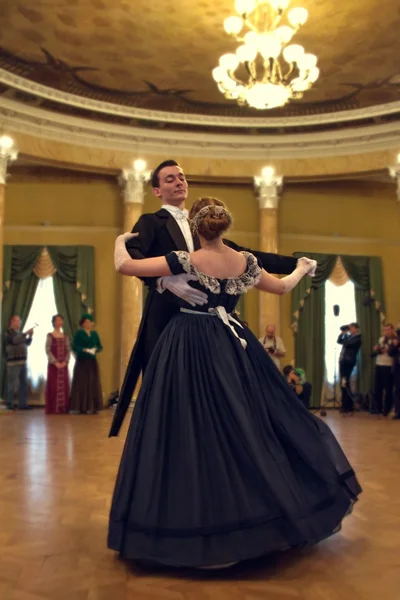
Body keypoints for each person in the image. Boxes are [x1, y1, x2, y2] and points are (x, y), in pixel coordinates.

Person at [108, 198, 361, 569]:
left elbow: (124, 265)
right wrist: (302, 267)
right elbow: (282, 288)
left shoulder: (187, 259)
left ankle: (193, 523)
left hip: (188, 344)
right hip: (232, 344)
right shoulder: (245, 261)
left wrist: (120, 239)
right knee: (246, 423)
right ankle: (258, 514)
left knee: (189, 427)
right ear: (224, 226)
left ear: (196, 228)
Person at [110, 161, 317, 437]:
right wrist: (164, 281)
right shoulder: (150, 222)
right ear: (157, 191)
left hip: (202, 326)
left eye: (182, 177)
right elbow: (136, 255)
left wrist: (294, 263)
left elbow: (255, 255)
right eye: (170, 179)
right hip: (165, 321)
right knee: (166, 389)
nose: (179, 182)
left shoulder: (205, 235)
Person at [70, 314, 103, 414]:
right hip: (82, 361)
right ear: (82, 323)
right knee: (82, 383)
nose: (88, 324)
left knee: (93, 383)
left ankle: (93, 407)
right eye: (86, 322)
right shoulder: (79, 334)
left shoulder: (94, 334)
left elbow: (100, 346)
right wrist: (83, 349)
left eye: (90, 322)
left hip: (92, 361)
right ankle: (81, 407)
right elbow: (74, 346)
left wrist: (95, 349)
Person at [4, 315, 34, 411]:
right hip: (13, 363)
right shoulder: (8, 332)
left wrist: (30, 336)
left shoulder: (20, 333)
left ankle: (22, 404)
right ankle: (9, 404)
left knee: (23, 383)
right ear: (11, 322)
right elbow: (14, 340)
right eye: (17, 321)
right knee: (12, 383)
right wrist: (25, 334)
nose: (19, 323)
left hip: (23, 362)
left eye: (19, 321)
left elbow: (27, 343)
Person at [45, 314, 71, 414]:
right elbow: (47, 350)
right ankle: (53, 409)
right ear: (54, 322)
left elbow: (68, 350)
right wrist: (55, 362)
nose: (59, 322)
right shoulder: (50, 336)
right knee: (53, 387)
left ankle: (63, 409)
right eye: (57, 320)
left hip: (64, 366)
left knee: (64, 386)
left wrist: (65, 362)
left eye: (61, 320)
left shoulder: (65, 336)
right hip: (53, 366)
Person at [337, 323, 362, 415]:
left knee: (345, 383)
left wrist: (346, 334)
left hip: (348, 362)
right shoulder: (349, 337)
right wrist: (343, 333)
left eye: (351, 328)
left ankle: (347, 406)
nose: (350, 330)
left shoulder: (357, 338)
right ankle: (346, 405)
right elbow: (339, 341)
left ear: (356, 328)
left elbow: (346, 343)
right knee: (344, 383)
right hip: (343, 361)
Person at [372, 323, 396, 416]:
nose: (386, 331)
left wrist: (387, 350)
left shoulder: (395, 340)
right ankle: (378, 408)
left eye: (388, 329)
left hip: (388, 366)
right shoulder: (381, 339)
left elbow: (391, 352)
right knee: (378, 388)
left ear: (392, 330)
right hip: (379, 364)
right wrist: (377, 349)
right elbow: (378, 349)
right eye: (385, 330)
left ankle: (387, 409)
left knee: (388, 389)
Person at [388, 325, 400, 420]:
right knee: (397, 390)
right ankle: (398, 412)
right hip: (397, 369)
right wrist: (395, 345)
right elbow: (390, 353)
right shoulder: (396, 340)